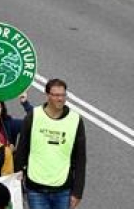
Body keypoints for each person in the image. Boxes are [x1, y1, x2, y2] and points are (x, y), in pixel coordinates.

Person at [15, 78, 86, 209]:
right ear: (47, 95)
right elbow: (22, 150)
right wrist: (17, 182)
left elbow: (81, 158)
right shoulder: (33, 116)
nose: (60, 99)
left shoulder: (75, 120)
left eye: (63, 95)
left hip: (63, 189)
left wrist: (77, 192)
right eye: (56, 95)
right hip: (36, 188)